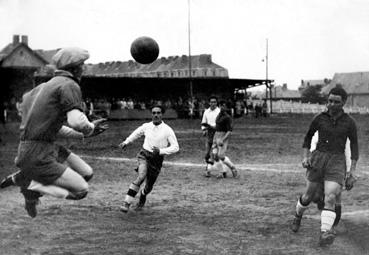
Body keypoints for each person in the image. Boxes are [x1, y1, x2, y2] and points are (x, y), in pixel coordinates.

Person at [0, 47, 108, 218]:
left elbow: (52, 128)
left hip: (38, 148)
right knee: (81, 191)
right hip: (39, 153)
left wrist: (84, 134)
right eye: (83, 64)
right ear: (75, 68)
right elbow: (77, 121)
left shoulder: (38, 89)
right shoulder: (69, 84)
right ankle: (28, 183)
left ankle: (29, 185)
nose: (85, 68)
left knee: (87, 173)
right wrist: (90, 128)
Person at [290, 86, 359, 246]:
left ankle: (325, 233)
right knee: (308, 197)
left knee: (331, 197)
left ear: (343, 103)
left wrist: (352, 171)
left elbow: (354, 146)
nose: (331, 104)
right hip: (318, 158)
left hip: (337, 161)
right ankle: (298, 216)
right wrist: (305, 157)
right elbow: (307, 138)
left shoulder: (350, 122)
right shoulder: (319, 118)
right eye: (329, 101)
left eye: (336, 102)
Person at [118, 105, 179, 212]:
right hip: (144, 155)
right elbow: (136, 133)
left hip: (157, 159)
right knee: (141, 176)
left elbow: (176, 147)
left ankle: (143, 195)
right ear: (151, 114)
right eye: (154, 113)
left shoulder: (167, 130)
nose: (156, 115)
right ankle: (126, 203)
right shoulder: (146, 126)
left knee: (148, 187)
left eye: (158, 113)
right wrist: (126, 142)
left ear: (162, 114)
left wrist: (161, 151)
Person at [211, 100, 238, 179]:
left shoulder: (227, 117)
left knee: (221, 156)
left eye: (224, 105)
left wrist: (223, 139)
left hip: (222, 135)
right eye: (221, 105)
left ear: (226, 107)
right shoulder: (219, 115)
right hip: (216, 135)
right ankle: (222, 172)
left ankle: (233, 168)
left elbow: (229, 131)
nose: (222, 107)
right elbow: (217, 125)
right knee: (215, 155)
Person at [201, 96, 220, 177]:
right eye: (211, 102)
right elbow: (203, 122)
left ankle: (221, 170)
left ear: (216, 103)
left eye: (214, 102)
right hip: (209, 134)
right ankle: (208, 169)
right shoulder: (206, 112)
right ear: (209, 103)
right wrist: (204, 130)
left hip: (218, 134)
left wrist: (212, 127)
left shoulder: (219, 111)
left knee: (216, 154)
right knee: (207, 153)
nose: (213, 103)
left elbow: (220, 124)